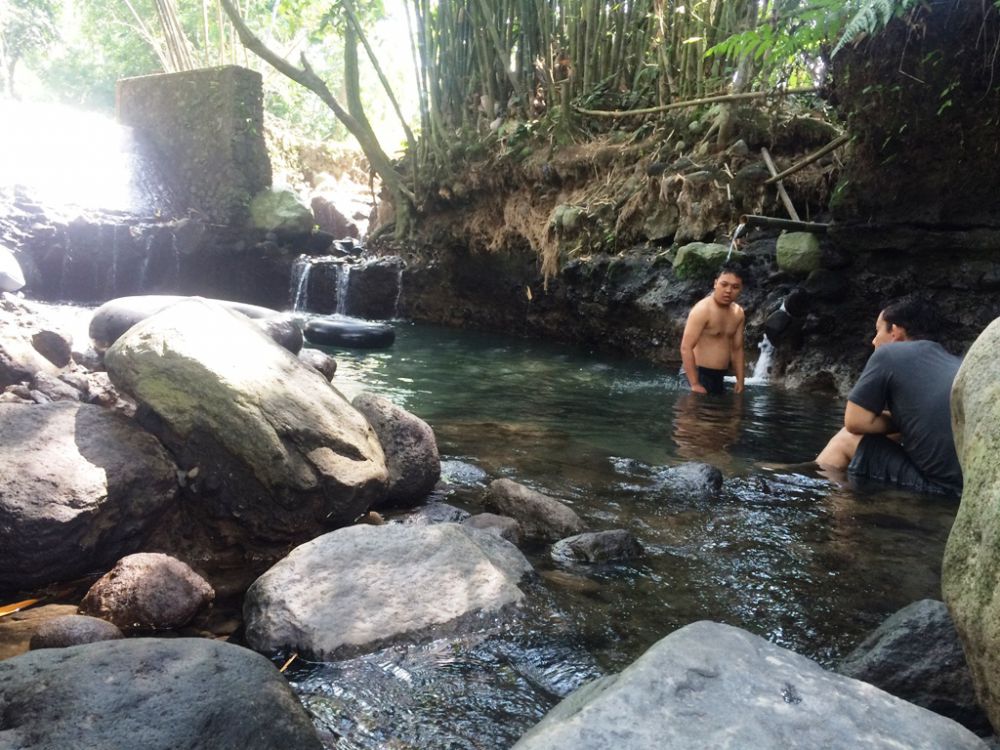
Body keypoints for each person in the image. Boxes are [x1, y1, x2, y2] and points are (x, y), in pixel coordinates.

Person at [815, 297, 963, 496]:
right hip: (969, 485)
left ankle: (824, 509)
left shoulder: (890, 354)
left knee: (845, 440)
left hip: (940, 489)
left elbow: (855, 421)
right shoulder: (956, 363)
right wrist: (906, 421)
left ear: (895, 332)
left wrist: (902, 421)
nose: (874, 340)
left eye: (878, 330)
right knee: (888, 434)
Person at [680, 264, 745, 394]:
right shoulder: (702, 309)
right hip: (696, 373)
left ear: (740, 289)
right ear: (715, 283)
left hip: (719, 377)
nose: (728, 290)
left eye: (735, 287)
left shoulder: (738, 313)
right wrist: (694, 383)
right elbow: (686, 347)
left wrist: (740, 380)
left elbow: (737, 349)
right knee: (694, 413)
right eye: (724, 284)